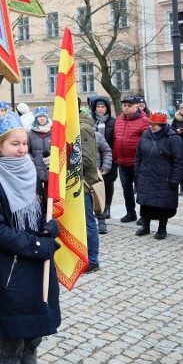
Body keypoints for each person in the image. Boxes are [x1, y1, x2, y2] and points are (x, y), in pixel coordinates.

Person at [0, 110, 60, 364]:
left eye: (24, 143)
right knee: (11, 347)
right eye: (15, 144)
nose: (22, 149)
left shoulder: (32, 170)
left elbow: (42, 210)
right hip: (10, 273)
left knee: (33, 341)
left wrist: (51, 226)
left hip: (38, 270)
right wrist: (36, 246)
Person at [134, 112, 183, 239]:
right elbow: (139, 154)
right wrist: (138, 170)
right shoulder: (146, 134)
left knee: (163, 205)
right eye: (150, 124)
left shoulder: (173, 138)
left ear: (162, 125)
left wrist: (175, 179)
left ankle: (162, 229)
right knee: (145, 203)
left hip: (164, 177)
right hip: (146, 175)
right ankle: (146, 226)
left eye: (155, 125)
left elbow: (179, 160)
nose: (152, 127)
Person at [113, 96, 148, 224]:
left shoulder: (144, 121)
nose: (126, 108)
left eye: (129, 105)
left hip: (138, 162)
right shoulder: (118, 120)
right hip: (122, 162)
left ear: (136, 107)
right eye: (124, 105)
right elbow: (115, 139)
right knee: (126, 188)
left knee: (141, 189)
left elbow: (147, 141)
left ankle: (144, 215)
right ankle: (130, 213)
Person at [79, 104, 101, 270]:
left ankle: (92, 260)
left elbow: (87, 160)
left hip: (82, 183)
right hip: (73, 183)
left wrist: (61, 161)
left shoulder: (83, 128)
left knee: (88, 222)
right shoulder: (71, 125)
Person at [89, 96, 117, 222]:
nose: (100, 109)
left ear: (107, 108)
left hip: (109, 156)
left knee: (108, 183)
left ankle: (107, 207)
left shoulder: (112, 122)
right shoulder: (91, 121)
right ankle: (97, 207)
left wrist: (111, 159)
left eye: (103, 107)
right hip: (94, 157)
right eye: (98, 107)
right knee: (96, 184)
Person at [27, 106, 52, 187]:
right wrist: (32, 161)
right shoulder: (30, 133)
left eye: (44, 116)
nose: (42, 118)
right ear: (36, 118)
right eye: (39, 116)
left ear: (47, 118)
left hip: (51, 168)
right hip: (36, 169)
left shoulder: (53, 132)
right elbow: (27, 151)